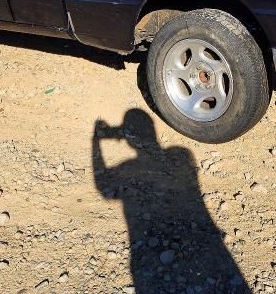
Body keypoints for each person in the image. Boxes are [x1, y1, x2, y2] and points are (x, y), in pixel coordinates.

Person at [92, 109, 247, 293]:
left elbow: (103, 186)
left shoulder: (136, 166)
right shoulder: (182, 154)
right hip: (216, 251)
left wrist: (95, 142)